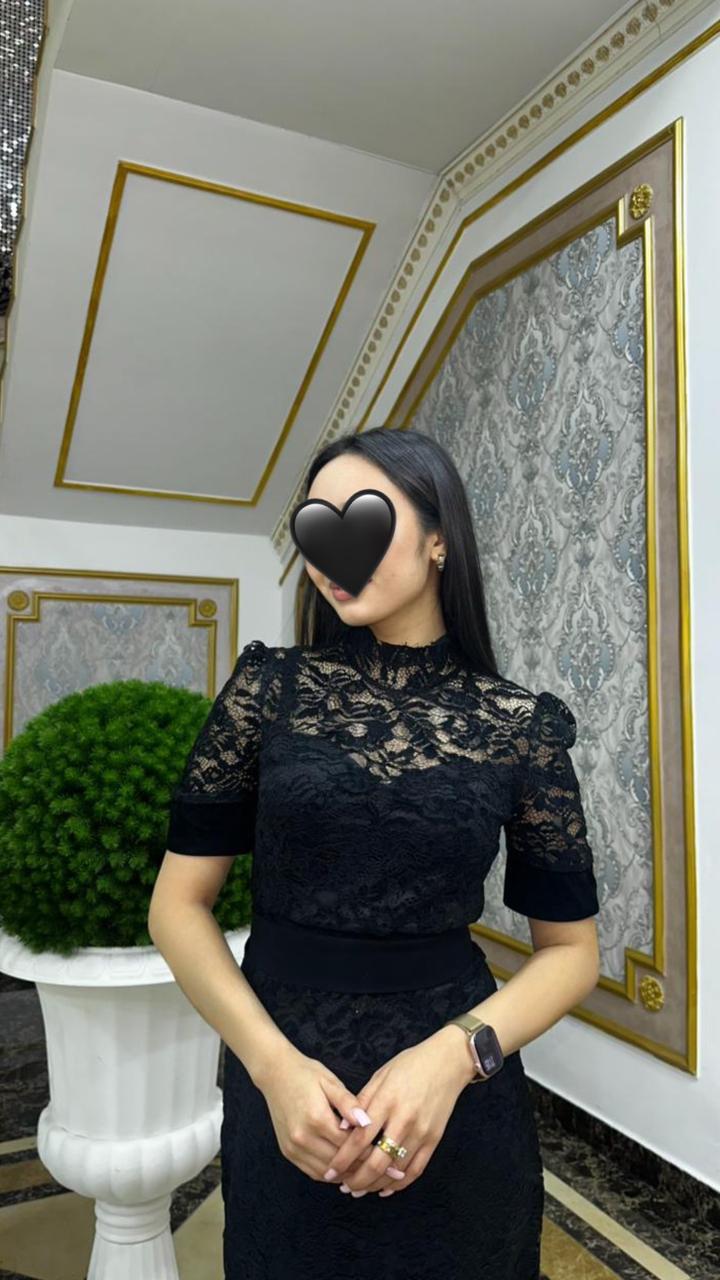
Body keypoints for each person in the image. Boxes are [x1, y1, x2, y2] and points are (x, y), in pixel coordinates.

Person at [149, 425, 600, 1280]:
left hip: (457, 1105)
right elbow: (177, 906)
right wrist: (272, 1067)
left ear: (439, 539)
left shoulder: (521, 725)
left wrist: (453, 1059)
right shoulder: (266, 692)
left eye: (362, 518)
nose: (332, 551)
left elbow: (572, 953)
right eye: (315, 525)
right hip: (286, 1091)